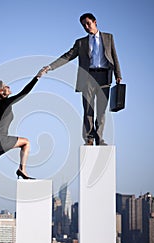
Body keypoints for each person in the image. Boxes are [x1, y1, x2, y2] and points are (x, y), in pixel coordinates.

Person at [0, 68, 46, 214]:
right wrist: (37, 77)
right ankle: (22, 169)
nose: (8, 87)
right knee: (26, 142)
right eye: (5, 87)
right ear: (1, 92)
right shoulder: (4, 103)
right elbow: (24, 92)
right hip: (0, 140)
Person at [43, 13, 122, 145]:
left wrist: (118, 75)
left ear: (95, 22)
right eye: (83, 25)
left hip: (104, 77)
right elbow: (68, 56)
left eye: (88, 23)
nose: (86, 27)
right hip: (88, 78)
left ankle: (100, 138)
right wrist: (51, 66)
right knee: (88, 109)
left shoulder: (108, 37)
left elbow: (114, 56)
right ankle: (89, 139)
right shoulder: (81, 42)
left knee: (101, 111)